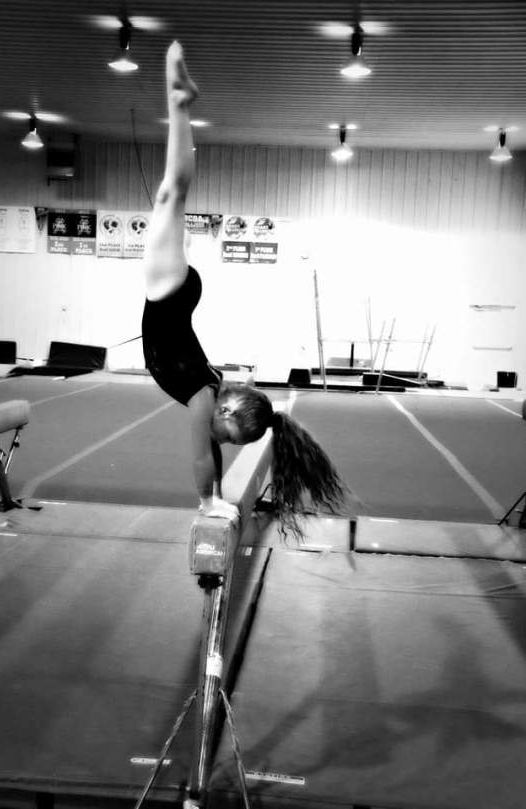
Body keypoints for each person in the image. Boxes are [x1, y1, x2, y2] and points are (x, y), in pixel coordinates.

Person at [142, 41, 350, 538]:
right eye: (231, 435)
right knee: (172, 192)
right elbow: (201, 453)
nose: (225, 443)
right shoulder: (202, 399)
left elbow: (209, 448)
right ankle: (179, 102)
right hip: (168, 294)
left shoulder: (210, 394)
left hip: (177, 294)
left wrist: (217, 494)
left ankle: (180, 102)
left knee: (171, 195)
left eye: (231, 443)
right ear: (227, 410)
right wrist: (208, 501)